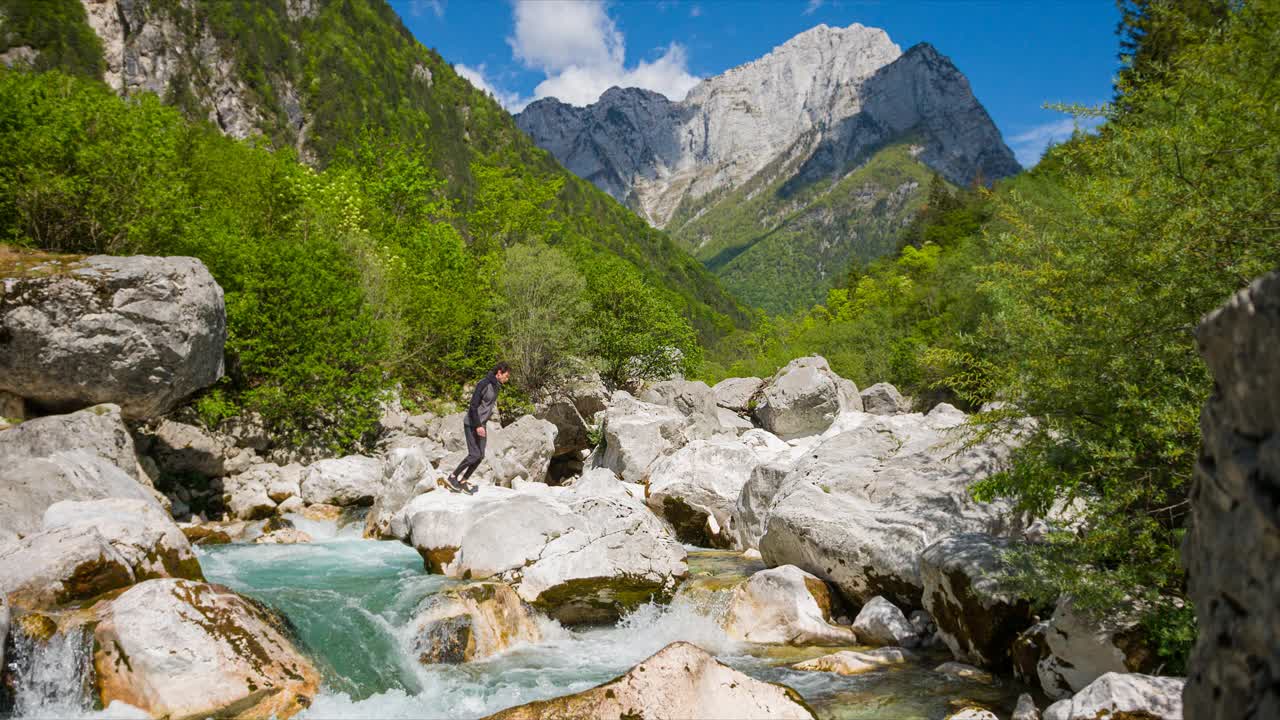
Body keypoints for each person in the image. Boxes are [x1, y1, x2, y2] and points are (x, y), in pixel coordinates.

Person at [443, 361, 511, 494]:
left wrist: (483, 424)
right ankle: (452, 477)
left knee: (480, 456)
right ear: (499, 373)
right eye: (506, 376)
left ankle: (463, 480)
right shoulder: (483, 383)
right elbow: (473, 406)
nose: (507, 379)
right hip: (472, 423)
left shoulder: (497, 386)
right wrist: (478, 425)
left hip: (482, 424)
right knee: (474, 454)